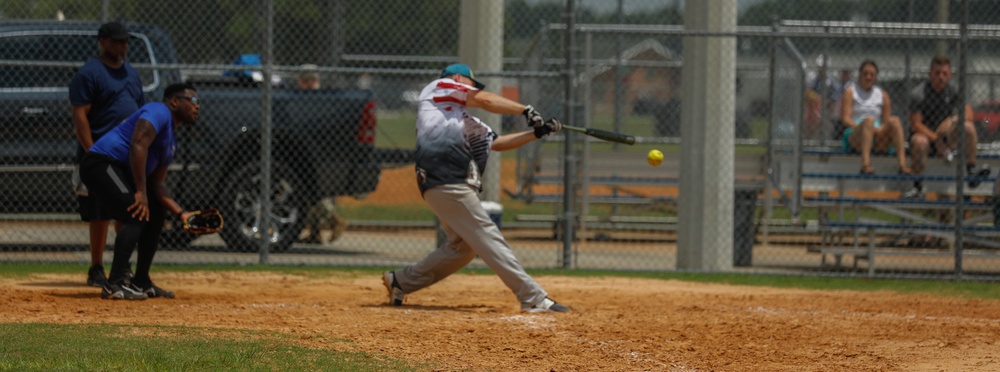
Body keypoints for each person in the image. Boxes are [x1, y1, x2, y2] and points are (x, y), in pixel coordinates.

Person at [382, 63, 570, 313]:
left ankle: (402, 281)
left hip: (446, 184)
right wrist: (524, 109)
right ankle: (532, 297)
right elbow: (486, 100)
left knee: (463, 248)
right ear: (458, 78)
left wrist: (537, 133)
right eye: (471, 84)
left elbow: (498, 143)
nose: (472, 90)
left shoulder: (464, 120)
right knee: (487, 236)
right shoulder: (438, 88)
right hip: (448, 179)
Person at [79, 83, 202, 300]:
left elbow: (157, 185)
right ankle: (114, 283)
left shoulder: (171, 142)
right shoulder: (158, 111)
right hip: (101, 163)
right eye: (191, 100)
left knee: (154, 212)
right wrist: (140, 192)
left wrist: (182, 214)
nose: (197, 106)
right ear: (174, 101)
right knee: (134, 212)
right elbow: (138, 144)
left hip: (120, 169)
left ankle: (142, 281)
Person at [69, 21, 145, 288]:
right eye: (117, 41)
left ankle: (122, 266)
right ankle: (97, 267)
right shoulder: (90, 73)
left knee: (125, 210)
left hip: (124, 155)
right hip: (99, 154)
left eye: (125, 41)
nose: (122, 46)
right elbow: (80, 116)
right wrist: (92, 152)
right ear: (102, 41)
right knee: (98, 214)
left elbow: (139, 112)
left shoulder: (131, 74)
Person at [906, 55, 991, 197]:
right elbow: (915, 124)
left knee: (968, 127)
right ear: (930, 74)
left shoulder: (953, 90)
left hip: (946, 136)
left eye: (945, 74)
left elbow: (969, 113)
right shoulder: (919, 93)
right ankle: (917, 186)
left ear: (950, 75)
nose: (941, 77)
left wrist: (953, 119)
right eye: (937, 73)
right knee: (919, 141)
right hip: (926, 137)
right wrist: (936, 139)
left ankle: (971, 171)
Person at [295, 65, 349, 244]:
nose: (309, 84)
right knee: (307, 191)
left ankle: (335, 221)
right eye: (305, 80)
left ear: (317, 81)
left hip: (322, 154)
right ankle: (315, 233)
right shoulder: (299, 100)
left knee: (316, 192)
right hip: (305, 153)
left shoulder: (322, 100)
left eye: (312, 80)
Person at [839, 60, 910, 175]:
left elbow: (886, 121)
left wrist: (879, 129)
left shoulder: (882, 95)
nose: (868, 77)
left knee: (895, 121)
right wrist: (866, 127)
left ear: (876, 77)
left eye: (872, 75)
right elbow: (846, 119)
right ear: (860, 75)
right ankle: (865, 165)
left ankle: (902, 165)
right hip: (857, 133)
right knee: (869, 120)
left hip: (877, 133)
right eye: (865, 74)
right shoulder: (851, 92)